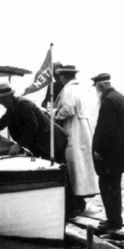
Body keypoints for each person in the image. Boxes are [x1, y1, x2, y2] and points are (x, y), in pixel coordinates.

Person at [52, 64, 99, 218]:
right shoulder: (81, 89)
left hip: (73, 130)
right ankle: (81, 201)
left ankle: (75, 203)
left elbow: (68, 109)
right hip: (83, 130)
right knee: (82, 166)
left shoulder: (68, 90)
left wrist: (53, 114)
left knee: (73, 166)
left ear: (63, 76)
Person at [90, 72, 124, 232]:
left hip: (110, 154)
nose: (97, 90)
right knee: (114, 187)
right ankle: (115, 220)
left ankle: (113, 221)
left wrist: (98, 151)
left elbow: (105, 129)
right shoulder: (120, 97)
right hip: (120, 150)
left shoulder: (108, 101)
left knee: (107, 186)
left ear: (100, 85)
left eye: (96, 87)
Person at [0, 82, 56, 158]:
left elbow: (32, 125)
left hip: (53, 144)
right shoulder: (12, 108)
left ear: (7, 97)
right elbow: (1, 123)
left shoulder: (22, 105)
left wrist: (19, 144)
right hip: (42, 144)